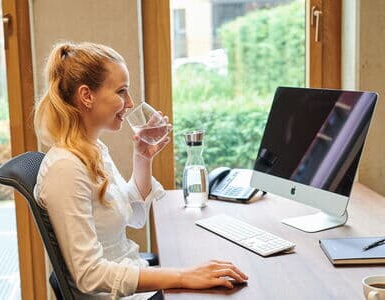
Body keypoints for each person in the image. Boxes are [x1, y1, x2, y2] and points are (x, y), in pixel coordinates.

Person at [33, 41, 248, 299]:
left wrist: (142, 157)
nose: (130, 102)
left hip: (133, 280)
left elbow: (133, 217)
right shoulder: (66, 168)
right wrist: (182, 276)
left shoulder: (93, 150)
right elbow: (89, 275)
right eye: (121, 91)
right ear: (87, 96)